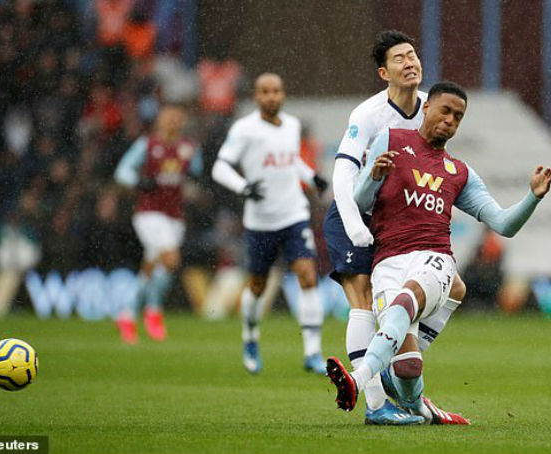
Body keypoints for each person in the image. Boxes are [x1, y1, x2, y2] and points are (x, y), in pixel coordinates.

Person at [326, 81, 551, 424]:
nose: (450, 120)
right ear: (427, 108)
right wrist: (373, 177)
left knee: (409, 299)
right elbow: (359, 203)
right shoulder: (391, 140)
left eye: (458, 116)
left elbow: (504, 224)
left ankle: (356, 383)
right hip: (387, 262)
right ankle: (421, 408)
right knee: (407, 369)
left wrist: (533, 197)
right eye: (445, 111)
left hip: (434, 259)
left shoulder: (459, 172)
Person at [323, 30, 466, 425]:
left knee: (453, 287)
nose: (411, 62)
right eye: (400, 58)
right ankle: (374, 404)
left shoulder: (430, 107)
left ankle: (393, 365)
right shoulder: (367, 115)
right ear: (384, 72)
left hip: (395, 218)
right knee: (364, 299)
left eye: (413, 54)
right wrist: (354, 224)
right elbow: (342, 175)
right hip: (355, 213)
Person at [212, 73, 329, 375]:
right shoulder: (244, 129)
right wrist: (243, 187)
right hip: (260, 222)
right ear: (256, 96)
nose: (271, 96)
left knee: (307, 276)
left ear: (283, 94)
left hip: (293, 214)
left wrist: (310, 176)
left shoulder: (291, 126)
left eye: (276, 91)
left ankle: (312, 352)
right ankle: (250, 337)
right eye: (265, 91)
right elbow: (220, 166)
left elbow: (290, 161)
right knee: (257, 285)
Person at [114, 104, 198, 343]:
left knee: (152, 266)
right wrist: (139, 182)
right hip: (149, 213)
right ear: (159, 120)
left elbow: (196, 172)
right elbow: (122, 172)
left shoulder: (189, 148)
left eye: (177, 117)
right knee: (171, 259)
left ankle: (127, 314)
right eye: (168, 116)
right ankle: (153, 310)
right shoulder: (147, 145)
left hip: (175, 215)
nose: (172, 121)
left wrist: (191, 183)